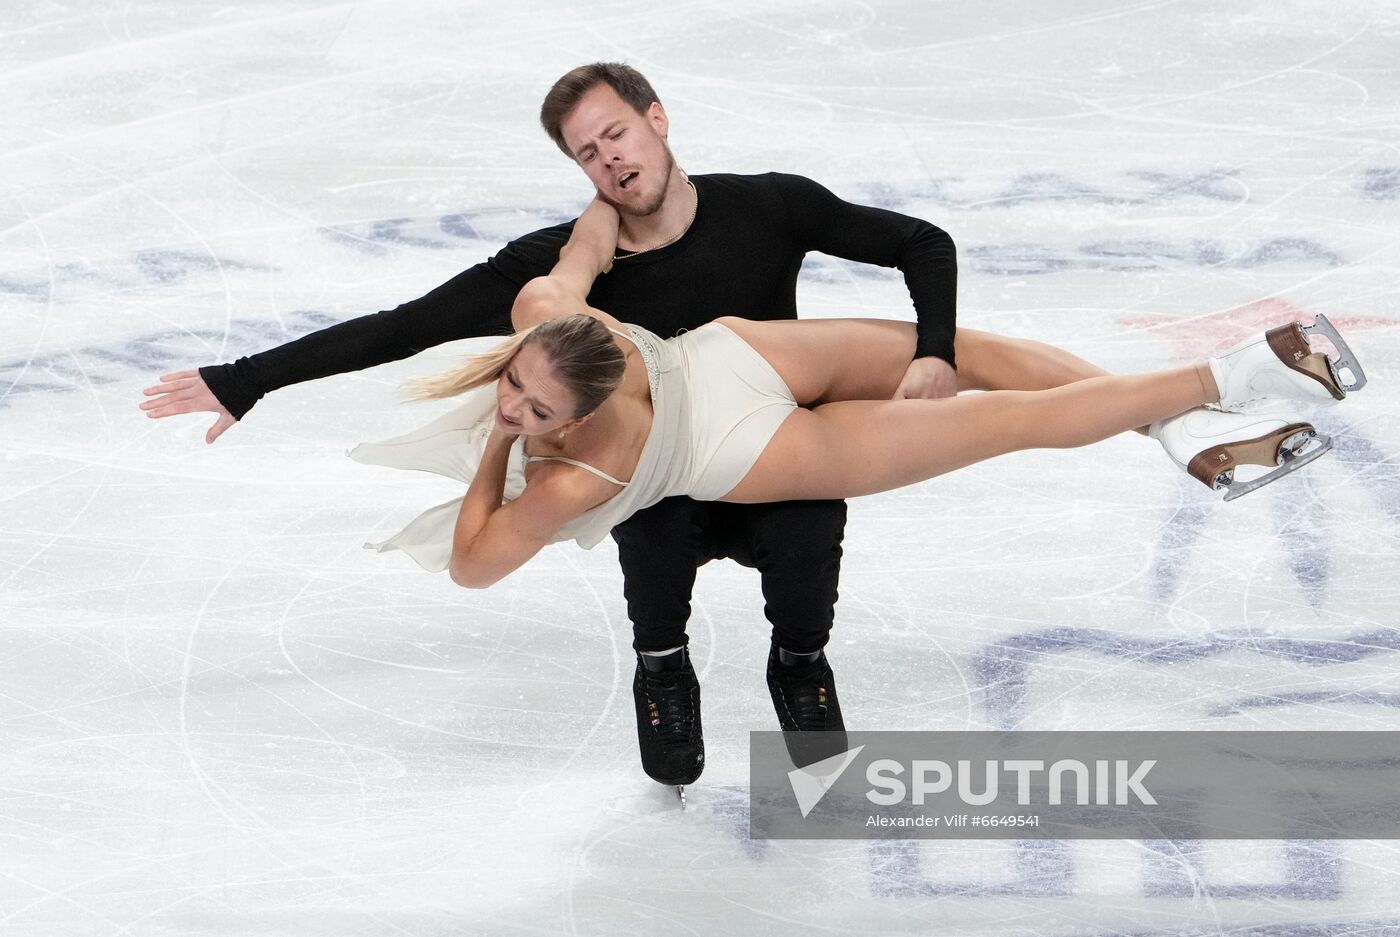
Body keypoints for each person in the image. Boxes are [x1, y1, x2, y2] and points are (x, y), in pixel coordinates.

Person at [140, 62, 963, 790]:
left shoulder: (769, 205)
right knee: (649, 541)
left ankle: (799, 662)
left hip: (767, 450)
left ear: (657, 118)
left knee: (810, 534)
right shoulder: (553, 264)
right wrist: (244, 380)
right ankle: (663, 666)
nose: (610, 159)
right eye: (587, 152)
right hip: (652, 473)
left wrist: (934, 351)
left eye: (616, 133)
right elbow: (404, 325)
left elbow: (921, 243)